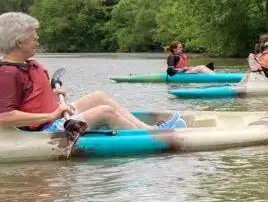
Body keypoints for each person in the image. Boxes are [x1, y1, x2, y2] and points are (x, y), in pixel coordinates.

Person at [0, 12, 185, 132]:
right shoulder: (8, 73)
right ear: (19, 42)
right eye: (34, 38)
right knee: (105, 111)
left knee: (99, 97)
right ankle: (152, 136)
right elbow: (4, 116)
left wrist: (52, 95)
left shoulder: (24, 66)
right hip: (45, 129)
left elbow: (27, 97)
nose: (37, 41)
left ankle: (148, 129)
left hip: (54, 117)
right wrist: (51, 115)